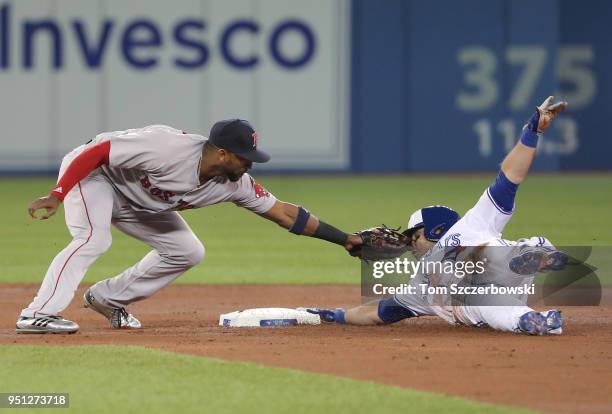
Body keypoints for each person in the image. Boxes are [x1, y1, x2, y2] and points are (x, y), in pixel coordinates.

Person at [17, 120, 362, 334]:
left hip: (139, 200)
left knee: (188, 250)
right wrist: (58, 193)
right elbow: (98, 152)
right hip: (96, 176)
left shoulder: (235, 183)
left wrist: (346, 239)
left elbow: (286, 215)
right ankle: (38, 314)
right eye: (245, 158)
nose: (250, 165)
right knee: (93, 236)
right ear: (223, 153)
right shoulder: (168, 148)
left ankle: (107, 298)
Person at [308, 96, 568, 335]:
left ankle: (537, 262)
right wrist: (337, 315)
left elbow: (510, 177)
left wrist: (531, 134)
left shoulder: (473, 222)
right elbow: (379, 312)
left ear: (432, 229)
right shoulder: (422, 282)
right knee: (486, 302)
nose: (410, 243)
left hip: (504, 270)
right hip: (499, 293)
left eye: (414, 236)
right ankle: (532, 316)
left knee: (510, 264)